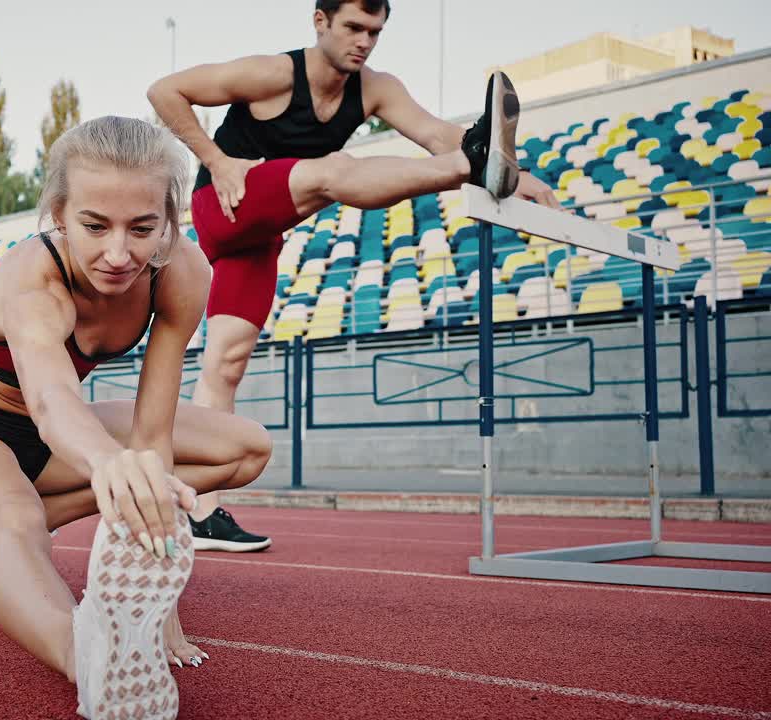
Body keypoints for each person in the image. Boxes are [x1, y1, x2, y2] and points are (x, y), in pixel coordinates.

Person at [147, 0, 561, 551]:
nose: (364, 41)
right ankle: (475, 169)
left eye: (375, 31)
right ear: (320, 22)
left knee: (226, 360)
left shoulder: (375, 88)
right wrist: (217, 160)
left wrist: (519, 173)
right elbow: (164, 90)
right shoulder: (273, 74)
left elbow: (437, 134)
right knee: (336, 173)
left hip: (265, 232)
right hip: (224, 205)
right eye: (353, 27)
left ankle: (197, 511)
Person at [0, 116, 273, 720]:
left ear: (169, 221)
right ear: (59, 215)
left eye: (143, 228)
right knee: (13, 520)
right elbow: (50, 401)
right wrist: (106, 463)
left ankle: (5, 533)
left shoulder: (182, 273)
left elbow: (154, 432)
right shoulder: (30, 278)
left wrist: (158, 601)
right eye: (94, 226)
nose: (119, 254)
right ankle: (94, 663)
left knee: (246, 447)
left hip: (53, 447)